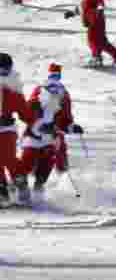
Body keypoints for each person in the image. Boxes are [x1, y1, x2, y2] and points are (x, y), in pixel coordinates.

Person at [17, 63, 82, 201]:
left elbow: (66, 119)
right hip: (34, 136)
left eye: (56, 77)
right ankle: (16, 189)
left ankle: (38, 191)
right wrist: (35, 115)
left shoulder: (64, 95)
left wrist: (71, 127)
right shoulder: (39, 92)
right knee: (26, 163)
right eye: (52, 76)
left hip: (51, 138)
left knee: (46, 164)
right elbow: (27, 112)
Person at [64, 0, 116, 68]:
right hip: (93, 20)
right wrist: (72, 13)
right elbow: (82, 8)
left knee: (92, 40)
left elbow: (99, 1)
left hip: (96, 19)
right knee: (102, 42)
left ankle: (96, 58)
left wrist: (100, 9)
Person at [0, 52, 28, 206]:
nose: (3, 74)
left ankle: (20, 182)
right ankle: (2, 192)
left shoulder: (12, 88)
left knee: (7, 158)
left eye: (6, 71)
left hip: (6, 129)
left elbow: (24, 112)